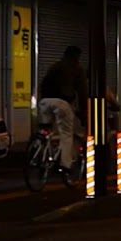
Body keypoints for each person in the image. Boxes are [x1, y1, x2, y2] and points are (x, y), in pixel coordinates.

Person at [36, 45, 88, 173]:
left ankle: (39, 151)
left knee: (46, 130)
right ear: (77, 57)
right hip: (62, 103)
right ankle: (65, 165)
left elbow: (43, 83)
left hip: (44, 101)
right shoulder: (77, 69)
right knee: (66, 134)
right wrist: (83, 112)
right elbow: (82, 92)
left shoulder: (55, 66)